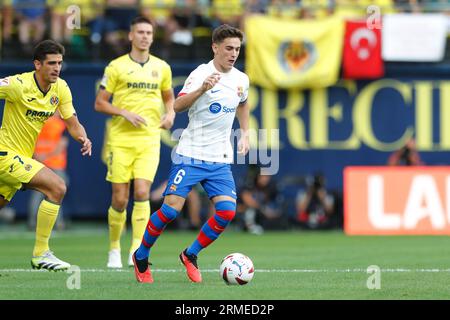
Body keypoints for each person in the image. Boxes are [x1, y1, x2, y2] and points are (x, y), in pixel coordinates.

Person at [132, 24, 250, 283]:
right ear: (215, 47)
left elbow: (243, 103)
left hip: (219, 158)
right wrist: (202, 90)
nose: (233, 54)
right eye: (228, 48)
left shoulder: (241, 79)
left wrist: (245, 132)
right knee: (171, 210)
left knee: (227, 212)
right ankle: (141, 255)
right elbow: (178, 105)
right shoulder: (201, 74)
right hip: (192, 153)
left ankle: (190, 254)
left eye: (237, 49)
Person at [0, 39, 92, 271]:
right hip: (4, 155)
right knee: (57, 187)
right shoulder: (18, 84)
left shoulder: (61, 88)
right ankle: (41, 253)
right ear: (37, 64)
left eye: (59, 63)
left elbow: (73, 123)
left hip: (20, 158)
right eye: (51, 63)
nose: (57, 68)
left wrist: (83, 137)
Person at [94, 16, 175, 269]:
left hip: (149, 139)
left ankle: (136, 248)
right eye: (140, 32)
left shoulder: (162, 67)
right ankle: (114, 248)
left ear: (153, 36)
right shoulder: (116, 67)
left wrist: (170, 113)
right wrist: (123, 112)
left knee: (142, 192)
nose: (144, 36)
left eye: (149, 32)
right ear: (131, 36)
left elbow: (169, 96)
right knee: (120, 198)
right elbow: (99, 103)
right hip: (120, 139)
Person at [28, 111, 69, 231]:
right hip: (56, 163)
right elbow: (62, 145)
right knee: (57, 193)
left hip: (39, 163)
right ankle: (58, 223)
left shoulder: (38, 123)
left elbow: (31, 142)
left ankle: (32, 222)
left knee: (37, 194)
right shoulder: (60, 124)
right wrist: (47, 156)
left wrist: (38, 156)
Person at [238, 165, 282, 235]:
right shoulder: (250, 184)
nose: (265, 179)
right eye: (263, 176)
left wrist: (271, 210)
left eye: (267, 176)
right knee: (250, 210)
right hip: (242, 211)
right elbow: (249, 202)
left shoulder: (270, 187)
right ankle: (251, 227)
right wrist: (264, 209)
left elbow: (273, 202)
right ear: (258, 176)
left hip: (261, 213)